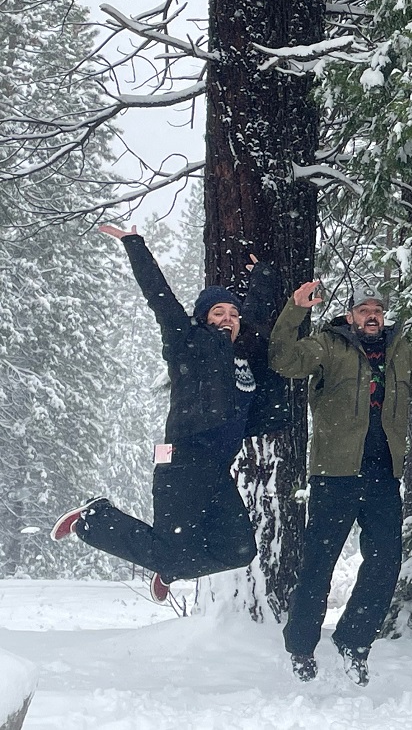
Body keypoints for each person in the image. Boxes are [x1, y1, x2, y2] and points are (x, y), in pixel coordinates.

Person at [52, 225, 287, 603]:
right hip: (181, 461)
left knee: (241, 550)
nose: (227, 318)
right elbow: (158, 297)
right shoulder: (186, 342)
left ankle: (170, 565)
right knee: (173, 547)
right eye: (218, 311)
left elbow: (258, 319)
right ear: (203, 317)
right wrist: (135, 246)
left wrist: (261, 278)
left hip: (216, 470)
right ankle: (94, 519)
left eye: (232, 312)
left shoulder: (244, 356)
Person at [269, 279, 412, 685]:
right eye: (363, 310)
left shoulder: (399, 350)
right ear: (350, 316)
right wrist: (295, 309)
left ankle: (354, 643)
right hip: (335, 476)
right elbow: (284, 360)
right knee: (317, 565)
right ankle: (301, 648)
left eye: (376, 310)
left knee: (385, 563)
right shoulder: (328, 345)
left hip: (382, 478)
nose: (371, 316)